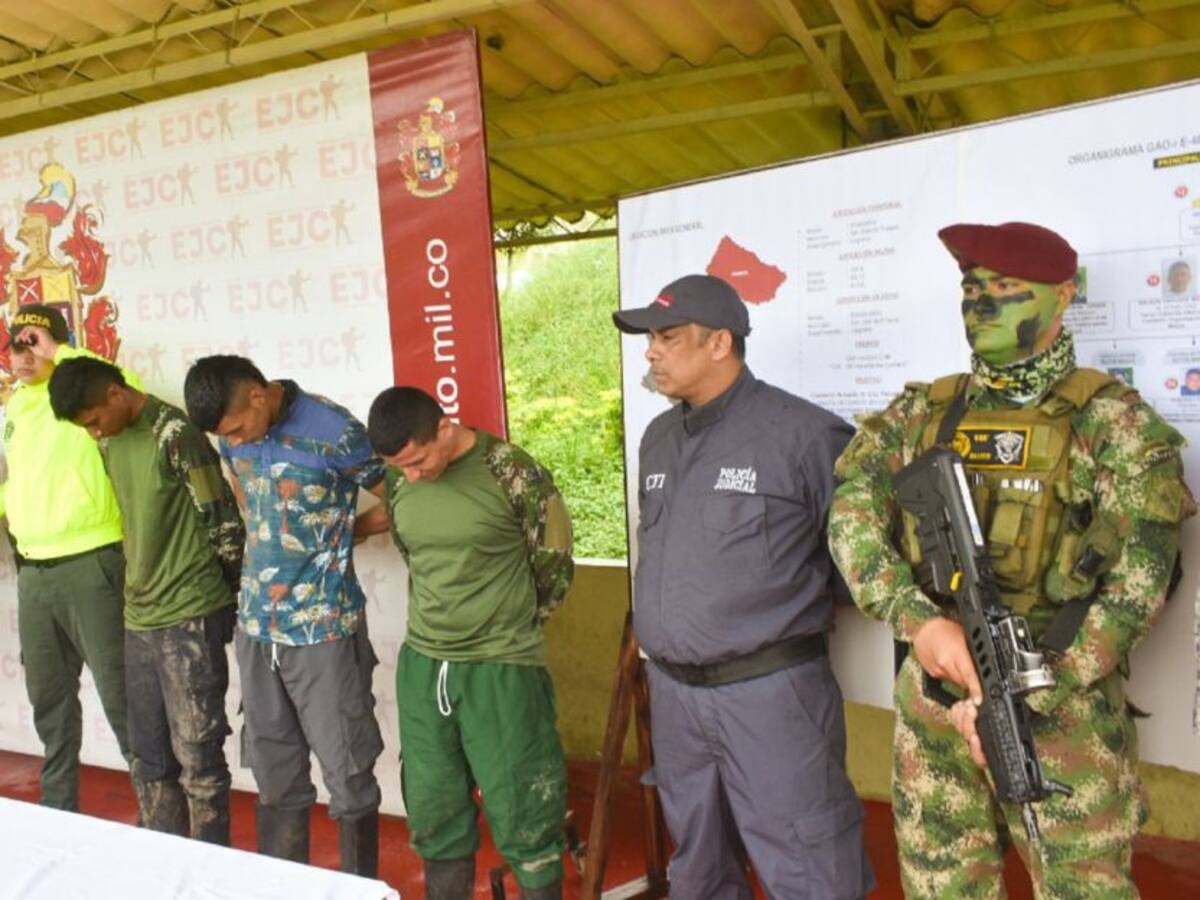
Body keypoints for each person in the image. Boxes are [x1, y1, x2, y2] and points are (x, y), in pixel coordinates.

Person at [829, 222, 1195, 899]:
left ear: (1061, 299)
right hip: (937, 707)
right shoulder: (923, 413)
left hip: (1062, 720)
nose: (982, 305)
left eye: (1005, 289)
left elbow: (1138, 587)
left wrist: (1026, 692)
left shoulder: (1114, 425)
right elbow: (850, 515)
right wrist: (919, 623)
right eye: (972, 288)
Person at [611, 274, 874, 899]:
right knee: (699, 863)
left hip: (771, 695)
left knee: (808, 864)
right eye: (651, 337)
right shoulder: (659, 439)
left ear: (719, 343)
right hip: (676, 697)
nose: (651, 351)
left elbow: (856, 568)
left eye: (668, 337)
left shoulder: (807, 436)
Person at [360, 386, 573, 900]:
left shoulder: (512, 472)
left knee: (525, 808)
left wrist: (505, 625)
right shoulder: (402, 477)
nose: (410, 475)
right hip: (425, 664)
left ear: (444, 429)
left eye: (418, 460)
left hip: (500, 666)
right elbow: (418, 555)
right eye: (398, 467)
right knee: (434, 807)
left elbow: (554, 563)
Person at [183, 355, 384, 875]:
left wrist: (350, 530)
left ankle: (361, 888)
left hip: (324, 628)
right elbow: (245, 491)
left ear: (257, 395)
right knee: (274, 771)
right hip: (256, 627)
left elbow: (405, 495)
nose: (238, 441)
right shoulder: (232, 436)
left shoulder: (334, 431)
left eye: (238, 428)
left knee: (347, 771)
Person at [47, 356, 244, 844]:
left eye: (94, 421)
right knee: (149, 758)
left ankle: (208, 874)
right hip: (139, 616)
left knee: (199, 760)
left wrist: (221, 601)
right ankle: (162, 870)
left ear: (116, 395)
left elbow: (223, 523)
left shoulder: (175, 433)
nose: (94, 433)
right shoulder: (112, 440)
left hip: (189, 614)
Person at [0, 305, 135, 811]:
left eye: (33, 340)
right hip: (33, 571)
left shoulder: (88, 391)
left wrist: (59, 352)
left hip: (90, 563)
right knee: (49, 703)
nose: (22, 352)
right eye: (16, 342)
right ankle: (61, 814)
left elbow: (129, 386)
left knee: (120, 695)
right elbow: (19, 482)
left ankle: (162, 811)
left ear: (57, 343)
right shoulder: (14, 407)